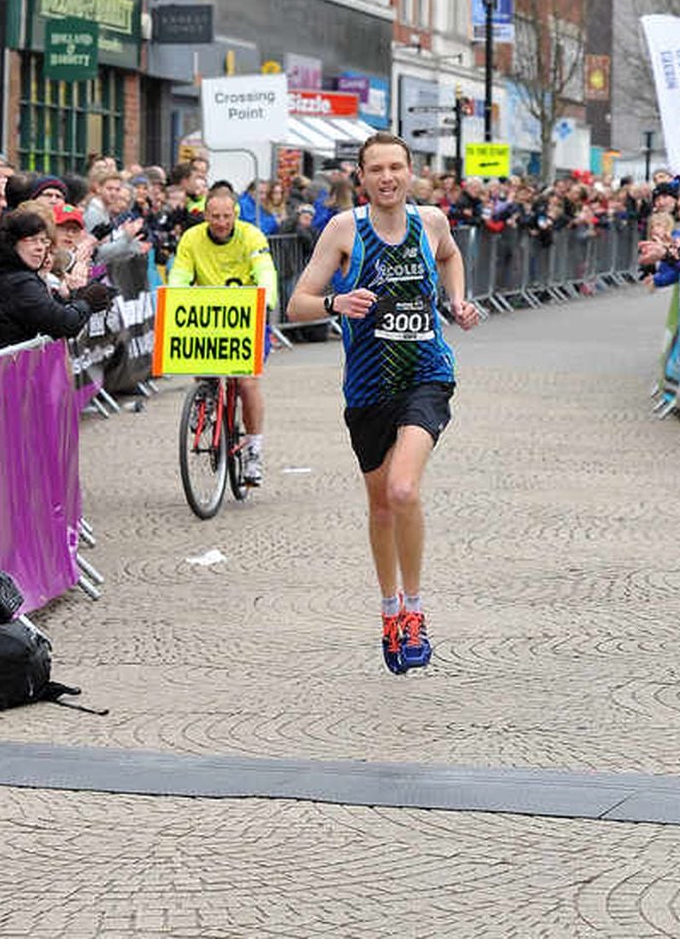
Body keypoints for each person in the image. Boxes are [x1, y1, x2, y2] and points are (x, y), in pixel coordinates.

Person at [285, 132, 479, 675]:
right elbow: (297, 303)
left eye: (397, 167)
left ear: (411, 171)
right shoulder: (345, 230)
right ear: (362, 177)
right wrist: (335, 302)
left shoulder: (431, 222)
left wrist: (457, 300)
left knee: (402, 489)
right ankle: (389, 607)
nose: (388, 177)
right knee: (379, 505)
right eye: (377, 169)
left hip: (426, 374)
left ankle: (414, 610)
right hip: (368, 386)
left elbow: (451, 255)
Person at [168, 181, 279, 485]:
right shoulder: (191, 239)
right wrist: (174, 296)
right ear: (205, 215)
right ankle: (204, 400)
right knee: (200, 363)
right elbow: (180, 273)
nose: (221, 222)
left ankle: (254, 449)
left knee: (246, 382)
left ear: (235, 214)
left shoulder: (251, 235)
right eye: (215, 216)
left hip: (246, 315)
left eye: (226, 216)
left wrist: (266, 297)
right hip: (209, 316)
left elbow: (265, 269)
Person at [0, 208, 112, 352]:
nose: (40, 248)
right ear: (11, 243)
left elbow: (44, 312)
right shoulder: (19, 282)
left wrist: (65, 297)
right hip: (3, 370)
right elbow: (63, 324)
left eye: (43, 241)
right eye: (31, 240)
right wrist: (87, 302)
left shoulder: (2, 270)